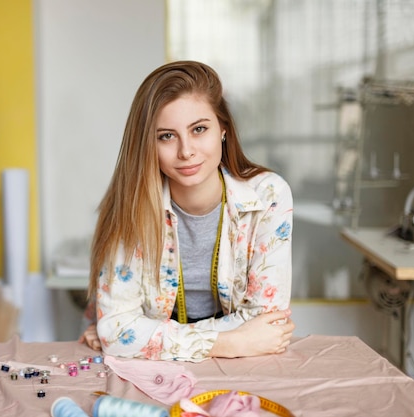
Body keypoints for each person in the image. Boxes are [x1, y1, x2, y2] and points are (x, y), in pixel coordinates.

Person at [79, 60, 294, 361]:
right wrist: (228, 343)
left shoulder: (269, 195)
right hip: (196, 361)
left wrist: (142, 335)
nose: (186, 151)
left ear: (222, 129)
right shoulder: (128, 204)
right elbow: (116, 331)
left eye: (199, 129)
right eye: (166, 136)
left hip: (232, 361)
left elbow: (268, 323)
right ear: (147, 145)